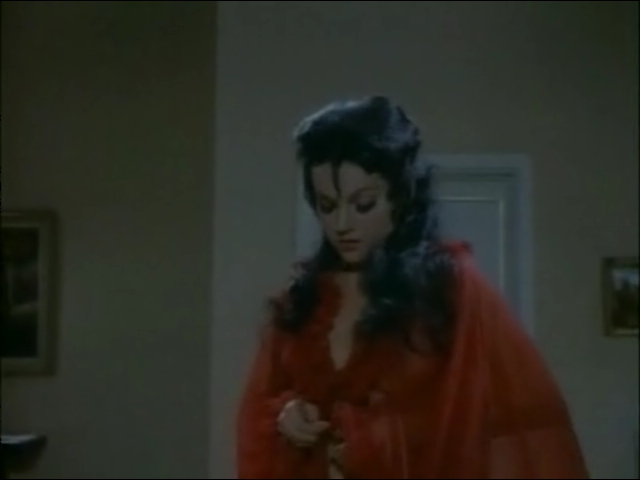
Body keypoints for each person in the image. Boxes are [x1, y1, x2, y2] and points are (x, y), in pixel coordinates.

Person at [236, 96, 589, 479]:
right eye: (327, 205)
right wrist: (287, 416)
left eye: (363, 204)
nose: (342, 224)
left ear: (400, 196)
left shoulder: (449, 289)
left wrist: (379, 439)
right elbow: (258, 412)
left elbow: (518, 424)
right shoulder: (304, 299)